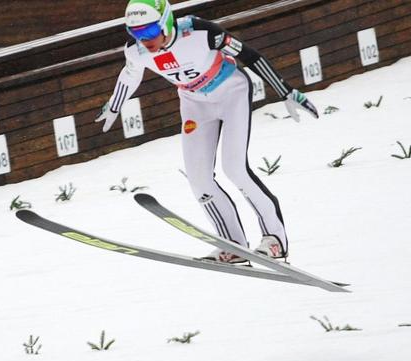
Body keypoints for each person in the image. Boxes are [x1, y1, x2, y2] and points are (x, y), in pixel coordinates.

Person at [96, 0, 319, 264]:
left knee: (235, 168)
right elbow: (130, 74)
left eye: (149, 32)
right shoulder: (136, 50)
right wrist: (115, 105)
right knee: (198, 178)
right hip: (194, 103)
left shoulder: (200, 32)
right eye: (136, 33)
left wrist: (285, 91)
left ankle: (275, 240)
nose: (144, 40)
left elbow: (249, 55)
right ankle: (233, 244)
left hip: (231, 92)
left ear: (165, 22)